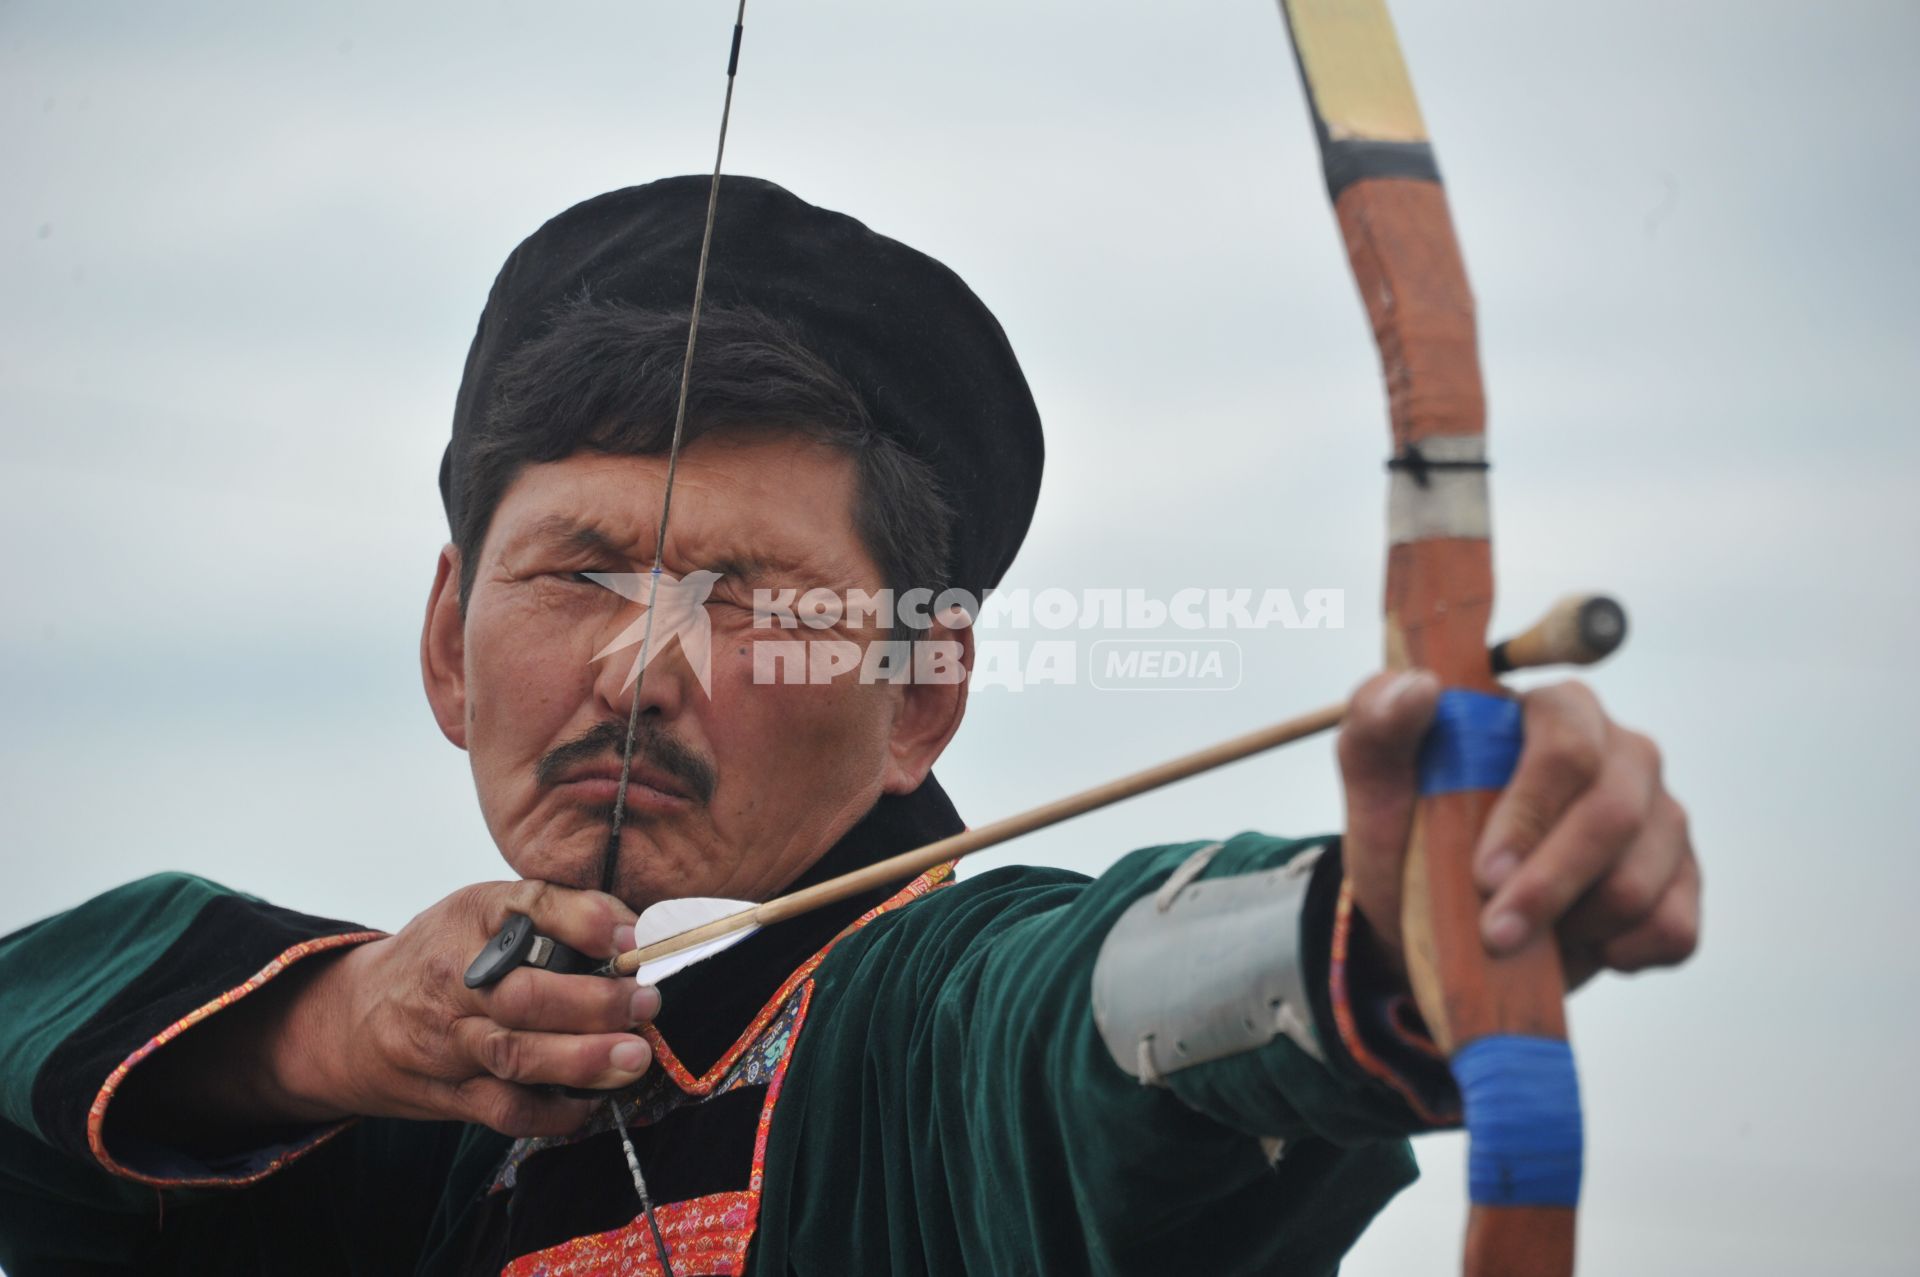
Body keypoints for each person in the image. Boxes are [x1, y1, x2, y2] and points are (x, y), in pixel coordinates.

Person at [0, 176, 1699, 1276]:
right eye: (581, 570)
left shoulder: (920, 1033)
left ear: (921, 696)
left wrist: (1383, 927)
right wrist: (323, 1029)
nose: (637, 671)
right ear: (449, 637)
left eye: (747, 593)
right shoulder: (401, 1140)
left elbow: (1087, 1014)